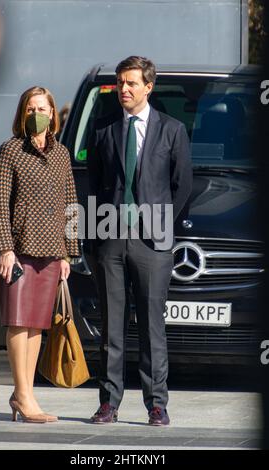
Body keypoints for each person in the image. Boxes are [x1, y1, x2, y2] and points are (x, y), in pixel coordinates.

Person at [88, 56, 193, 426]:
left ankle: (157, 405)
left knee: (152, 327)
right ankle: (109, 402)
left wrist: (163, 226)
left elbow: (183, 186)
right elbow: (94, 184)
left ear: (149, 86)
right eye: (120, 83)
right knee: (111, 327)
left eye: (131, 83)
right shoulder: (102, 129)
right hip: (110, 239)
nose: (124, 89)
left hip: (153, 244)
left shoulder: (172, 130)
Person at [0, 86, 79, 423]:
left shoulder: (62, 154)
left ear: (53, 114)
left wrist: (68, 254)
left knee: (36, 325)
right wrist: (5, 249)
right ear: (23, 114)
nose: (38, 113)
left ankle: (25, 394)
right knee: (18, 323)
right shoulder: (10, 150)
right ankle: (22, 395)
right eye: (31, 108)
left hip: (51, 253)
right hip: (18, 253)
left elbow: (70, 204)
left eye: (43, 108)